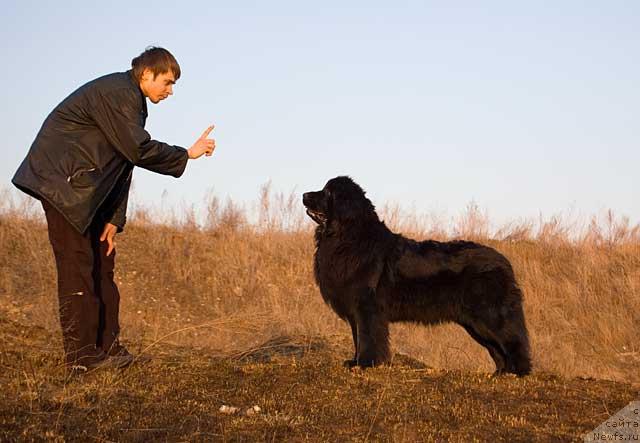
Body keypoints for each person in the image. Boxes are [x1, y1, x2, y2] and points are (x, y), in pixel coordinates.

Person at [12, 46, 215, 372]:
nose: (170, 91)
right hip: (63, 186)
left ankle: (108, 349)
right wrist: (186, 154)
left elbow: (121, 162)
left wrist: (114, 219)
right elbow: (136, 149)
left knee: (102, 264)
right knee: (78, 267)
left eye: (173, 84)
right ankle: (80, 358)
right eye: (167, 82)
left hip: (87, 192)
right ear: (146, 74)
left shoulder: (131, 101)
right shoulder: (119, 93)